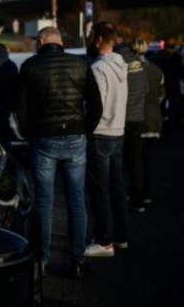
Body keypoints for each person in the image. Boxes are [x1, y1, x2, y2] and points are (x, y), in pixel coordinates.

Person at [17, 26, 102, 278]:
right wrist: (85, 130)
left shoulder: (30, 66)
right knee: (77, 201)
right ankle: (77, 260)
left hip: (43, 139)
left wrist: (28, 132)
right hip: (76, 136)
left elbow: (21, 108)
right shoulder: (81, 63)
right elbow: (96, 104)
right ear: (61, 41)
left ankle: (41, 260)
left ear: (41, 41)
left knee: (44, 203)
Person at [84, 22, 130, 258]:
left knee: (99, 189)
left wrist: (86, 129)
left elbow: (95, 106)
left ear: (100, 38)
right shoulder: (121, 64)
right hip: (118, 131)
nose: (91, 39)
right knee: (117, 187)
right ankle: (121, 236)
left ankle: (104, 241)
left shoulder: (98, 68)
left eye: (93, 35)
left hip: (100, 133)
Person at [115, 40, 149, 212]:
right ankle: (139, 199)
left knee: (120, 162)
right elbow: (145, 89)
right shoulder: (139, 64)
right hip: (138, 117)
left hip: (122, 119)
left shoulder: (119, 63)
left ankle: (123, 198)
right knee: (137, 161)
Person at [133, 38, 165, 205]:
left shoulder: (132, 70)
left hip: (136, 119)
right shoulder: (156, 70)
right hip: (153, 119)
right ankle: (145, 193)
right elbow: (161, 95)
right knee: (144, 159)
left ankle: (138, 195)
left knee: (135, 159)